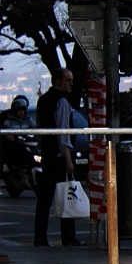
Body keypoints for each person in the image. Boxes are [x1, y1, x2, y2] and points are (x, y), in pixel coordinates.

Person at [34, 68, 81, 246]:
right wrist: (68, 158)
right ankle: (68, 237)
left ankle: (40, 237)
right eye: (68, 80)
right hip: (60, 156)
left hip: (47, 153)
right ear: (58, 81)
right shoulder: (61, 101)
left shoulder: (43, 100)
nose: (71, 83)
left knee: (45, 199)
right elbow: (64, 133)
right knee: (67, 194)